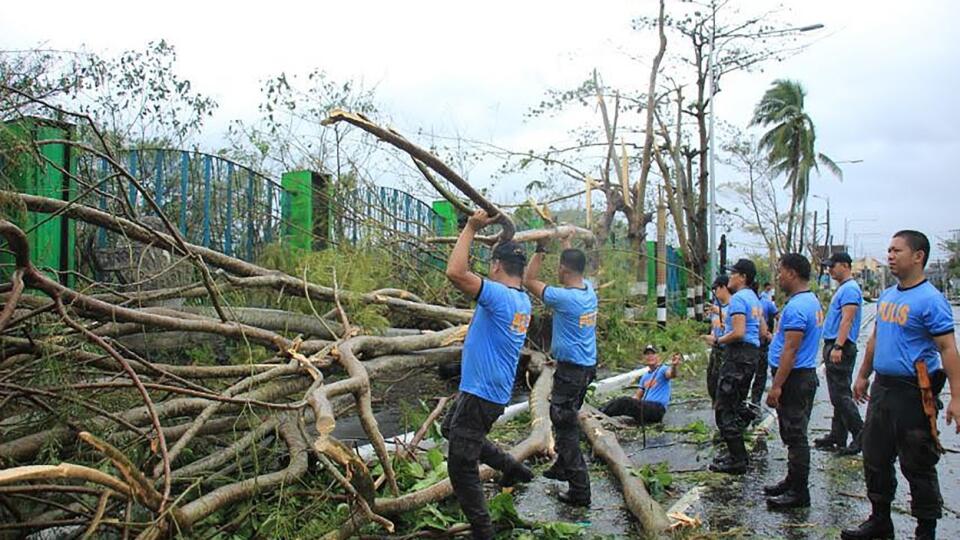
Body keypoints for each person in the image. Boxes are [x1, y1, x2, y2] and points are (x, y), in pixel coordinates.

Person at [842, 231, 960, 540]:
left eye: (897, 250)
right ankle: (880, 520)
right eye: (889, 250)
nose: (890, 256)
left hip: (914, 392)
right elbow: (876, 338)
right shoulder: (888, 295)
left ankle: (926, 530)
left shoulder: (931, 300)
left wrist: (957, 398)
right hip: (883, 388)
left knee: (917, 462)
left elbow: (948, 349)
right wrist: (863, 374)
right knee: (875, 456)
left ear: (918, 256)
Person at [441, 210, 534, 540]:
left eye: (491, 263)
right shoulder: (523, 301)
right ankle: (512, 467)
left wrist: (470, 227)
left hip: (481, 393)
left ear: (495, 266)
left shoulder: (498, 295)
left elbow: (455, 271)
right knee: (449, 428)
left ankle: (484, 533)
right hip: (486, 390)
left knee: (461, 466)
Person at [523, 235, 598, 507]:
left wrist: (540, 249)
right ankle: (563, 467)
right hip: (584, 367)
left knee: (564, 426)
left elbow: (529, 280)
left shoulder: (565, 298)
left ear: (564, 270)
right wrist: (566, 243)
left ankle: (580, 490)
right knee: (565, 417)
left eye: (559, 266)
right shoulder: (589, 290)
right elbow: (574, 266)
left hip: (573, 371)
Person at [762, 253, 823, 510]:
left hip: (796, 379)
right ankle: (792, 480)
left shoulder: (799, 307)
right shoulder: (807, 301)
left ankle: (799, 493)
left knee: (796, 435)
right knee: (791, 433)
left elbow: (791, 349)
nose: (778, 277)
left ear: (792, 273)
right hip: (797, 376)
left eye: (781, 271)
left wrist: (777, 385)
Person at [704, 258, 762, 474]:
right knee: (735, 402)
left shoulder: (738, 299)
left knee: (724, 407)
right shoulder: (753, 298)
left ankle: (738, 460)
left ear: (743, 277)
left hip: (738, 356)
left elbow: (738, 332)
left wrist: (717, 341)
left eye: (733, 273)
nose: (730, 277)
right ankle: (736, 450)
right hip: (749, 355)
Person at [814, 252, 865, 456]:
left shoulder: (850, 290)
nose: (830, 270)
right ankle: (837, 435)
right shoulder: (844, 288)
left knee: (841, 396)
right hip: (835, 343)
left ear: (845, 265)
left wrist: (838, 346)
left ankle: (860, 434)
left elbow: (847, 320)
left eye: (832, 266)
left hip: (840, 346)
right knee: (837, 395)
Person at [600, 345, 681, 424]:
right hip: (645, 408)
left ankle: (602, 415)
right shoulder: (645, 376)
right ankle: (600, 411)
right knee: (621, 401)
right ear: (644, 358)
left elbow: (672, 374)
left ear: (658, 357)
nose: (650, 356)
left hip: (657, 409)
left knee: (625, 401)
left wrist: (674, 366)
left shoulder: (663, 369)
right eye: (647, 354)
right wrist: (625, 402)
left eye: (652, 354)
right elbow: (637, 396)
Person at [703, 275, 732, 405]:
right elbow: (714, 328)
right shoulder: (715, 307)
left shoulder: (733, 305)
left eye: (716, 289)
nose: (714, 292)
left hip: (727, 349)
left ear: (724, 287)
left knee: (723, 382)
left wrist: (719, 311)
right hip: (715, 348)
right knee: (712, 380)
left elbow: (735, 323)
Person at [752, 286, 779, 408]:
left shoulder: (764, 303)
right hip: (760, 343)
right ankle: (755, 401)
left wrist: (773, 335)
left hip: (756, 344)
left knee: (759, 374)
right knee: (760, 374)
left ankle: (754, 401)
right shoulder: (762, 302)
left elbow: (778, 317)